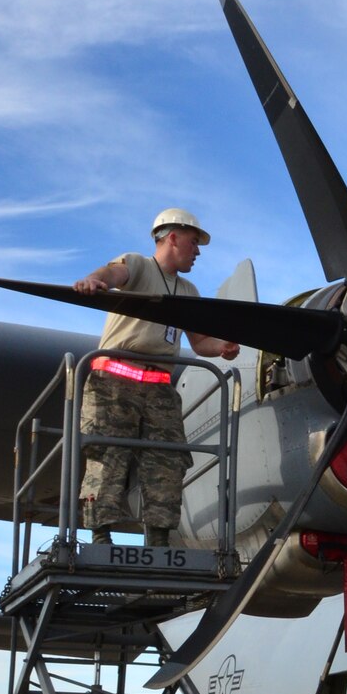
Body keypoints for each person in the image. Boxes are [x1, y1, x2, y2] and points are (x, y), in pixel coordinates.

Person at [74, 208, 240, 547]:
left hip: (158, 386)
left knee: (168, 458)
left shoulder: (189, 291)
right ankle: (101, 532)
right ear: (173, 237)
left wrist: (222, 346)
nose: (198, 251)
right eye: (194, 242)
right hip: (115, 379)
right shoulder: (138, 265)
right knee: (109, 454)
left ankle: (160, 537)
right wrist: (96, 281)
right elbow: (113, 272)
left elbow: (199, 342)